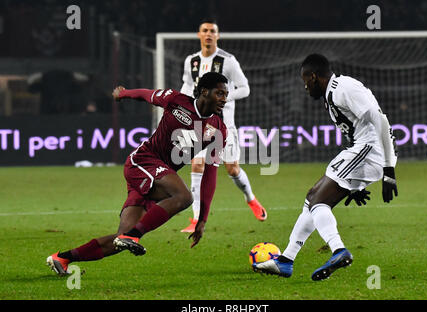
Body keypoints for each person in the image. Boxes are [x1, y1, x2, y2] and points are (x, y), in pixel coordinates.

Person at [46, 72, 228, 275]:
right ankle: (134, 236)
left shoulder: (219, 130)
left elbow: (210, 174)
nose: (224, 99)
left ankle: (62, 259)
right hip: (142, 162)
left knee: (119, 239)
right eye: (220, 93)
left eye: (226, 94)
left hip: (157, 178)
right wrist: (123, 94)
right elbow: (147, 94)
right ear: (205, 91)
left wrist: (202, 219)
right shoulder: (176, 100)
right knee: (183, 197)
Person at [253, 53, 398, 281]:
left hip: (372, 150)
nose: (305, 87)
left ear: (313, 77)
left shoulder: (344, 88)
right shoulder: (331, 96)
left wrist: (389, 170)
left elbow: (381, 120)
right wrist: (355, 185)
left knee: (319, 203)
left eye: (305, 81)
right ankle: (286, 261)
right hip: (363, 150)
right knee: (312, 198)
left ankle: (339, 251)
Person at [180, 19, 267, 233]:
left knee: (232, 168)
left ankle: (251, 199)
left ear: (217, 36)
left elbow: (245, 88)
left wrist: (224, 98)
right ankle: (195, 219)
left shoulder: (228, 61)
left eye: (212, 31)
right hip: (199, 124)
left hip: (224, 125)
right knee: (197, 164)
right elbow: (187, 85)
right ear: (199, 35)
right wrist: (180, 103)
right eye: (205, 31)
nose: (208, 34)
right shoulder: (191, 61)